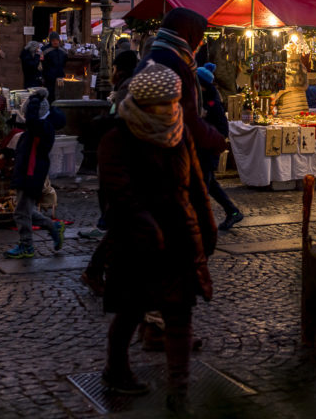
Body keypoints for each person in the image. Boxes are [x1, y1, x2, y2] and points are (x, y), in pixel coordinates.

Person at [96, 61, 216, 412]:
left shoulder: (181, 133)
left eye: (174, 103)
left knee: (180, 316)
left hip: (180, 239)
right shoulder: (116, 138)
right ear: (145, 105)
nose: (170, 110)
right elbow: (118, 195)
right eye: (163, 104)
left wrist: (206, 230)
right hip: (137, 245)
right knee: (131, 311)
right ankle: (115, 369)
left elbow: (196, 186)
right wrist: (144, 225)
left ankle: (179, 391)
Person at [143, 8, 239, 231]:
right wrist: (215, 139)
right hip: (169, 158)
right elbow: (184, 117)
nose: (200, 44)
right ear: (187, 35)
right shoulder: (174, 63)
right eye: (199, 37)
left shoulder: (156, 57)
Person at [79, 50, 139, 296]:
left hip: (117, 163)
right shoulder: (129, 90)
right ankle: (96, 271)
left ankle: (106, 273)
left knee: (125, 225)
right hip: (121, 164)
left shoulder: (126, 87)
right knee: (124, 225)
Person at [5, 89, 67, 258]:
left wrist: (35, 98)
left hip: (30, 174)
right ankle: (53, 227)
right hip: (28, 172)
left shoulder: (41, 127)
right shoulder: (39, 128)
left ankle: (27, 245)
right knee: (25, 209)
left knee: (21, 212)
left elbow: (32, 118)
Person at [196, 62, 244, 229]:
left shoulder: (213, 104)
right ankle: (233, 212)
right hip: (202, 151)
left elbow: (223, 129)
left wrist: (204, 122)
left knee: (203, 186)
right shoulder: (201, 101)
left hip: (207, 152)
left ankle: (202, 223)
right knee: (211, 185)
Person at [41, 32, 67, 100]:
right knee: (50, 95)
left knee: (60, 95)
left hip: (60, 76)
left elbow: (64, 62)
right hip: (49, 77)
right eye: (53, 41)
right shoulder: (45, 50)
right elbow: (42, 63)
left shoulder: (62, 51)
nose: (55, 42)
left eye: (57, 40)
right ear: (50, 41)